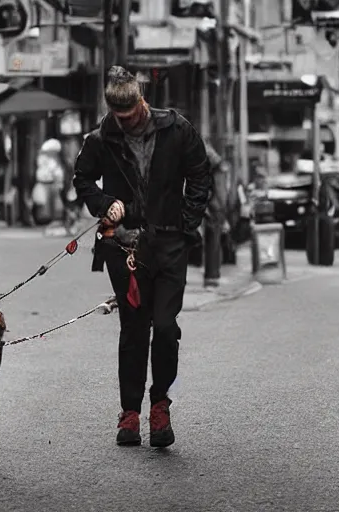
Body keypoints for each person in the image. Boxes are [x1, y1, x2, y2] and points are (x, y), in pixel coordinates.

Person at [72, 66, 213, 448]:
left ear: (141, 101)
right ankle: (130, 413)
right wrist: (105, 203)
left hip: (170, 244)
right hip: (125, 247)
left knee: (165, 327)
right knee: (134, 329)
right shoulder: (101, 138)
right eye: (119, 118)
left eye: (131, 114)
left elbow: (200, 174)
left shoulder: (176, 129)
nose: (127, 122)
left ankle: (160, 404)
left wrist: (186, 224)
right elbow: (82, 178)